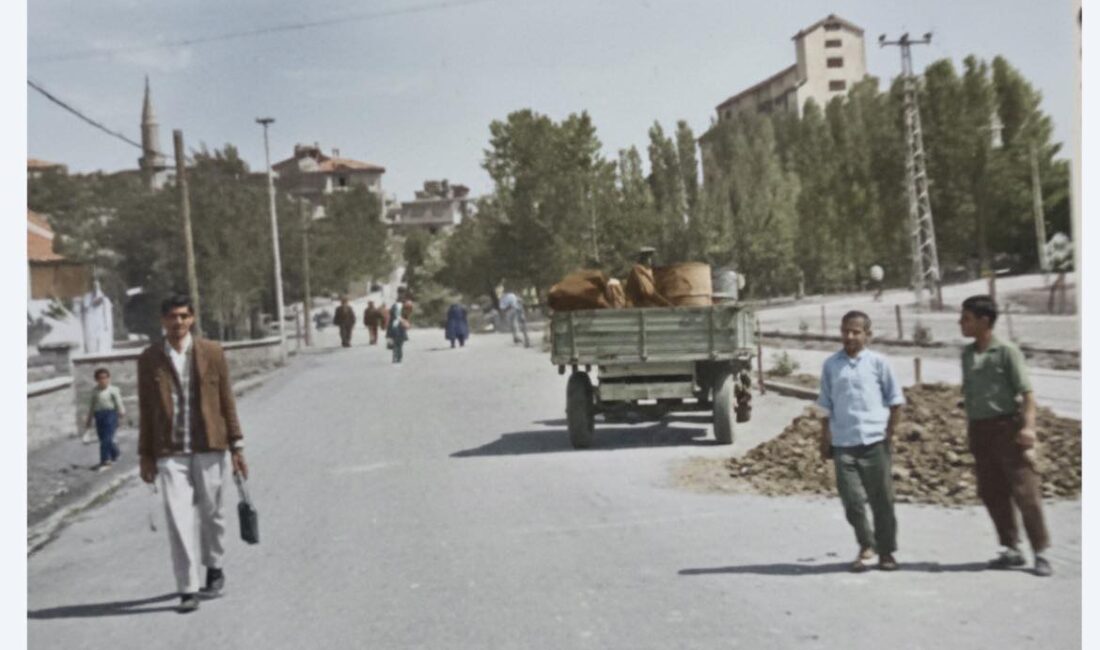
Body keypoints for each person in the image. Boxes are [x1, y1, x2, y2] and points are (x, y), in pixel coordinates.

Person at [138, 295, 249, 613]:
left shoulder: (212, 352)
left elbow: (226, 401)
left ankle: (214, 566)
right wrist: (146, 454)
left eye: (184, 316)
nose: (178, 322)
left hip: (209, 447)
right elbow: (146, 410)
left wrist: (237, 446)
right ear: (163, 320)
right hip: (170, 452)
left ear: (193, 319)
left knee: (212, 515)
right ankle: (187, 588)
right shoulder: (149, 359)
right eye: (172, 317)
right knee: (178, 519)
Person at [958, 295, 1052, 577]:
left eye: (966, 319)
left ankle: (1041, 552)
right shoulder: (967, 354)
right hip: (980, 430)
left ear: (984, 321)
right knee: (991, 491)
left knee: (1025, 491)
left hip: (1007, 429)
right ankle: (1011, 548)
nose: (961, 323)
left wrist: (1028, 428)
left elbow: (1027, 395)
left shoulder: (1007, 352)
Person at [817, 310, 905, 572]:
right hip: (843, 444)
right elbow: (825, 405)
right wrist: (825, 438)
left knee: (882, 501)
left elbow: (896, 401)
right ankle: (867, 544)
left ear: (868, 335)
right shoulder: (831, 365)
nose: (849, 336)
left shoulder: (879, 363)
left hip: (874, 441)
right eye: (845, 331)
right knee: (852, 501)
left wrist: (889, 434)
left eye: (856, 332)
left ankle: (886, 552)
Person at [84, 367, 125, 471]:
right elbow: (92, 406)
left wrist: (121, 411)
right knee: (103, 438)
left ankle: (105, 460)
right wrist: (89, 419)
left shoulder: (113, 389)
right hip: (99, 415)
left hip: (110, 414)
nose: (103, 380)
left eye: (105, 378)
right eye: (101, 378)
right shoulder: (95, 391)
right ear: (96, 380)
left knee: (107, 438)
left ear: (108, 378)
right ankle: (115, 453)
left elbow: (118, 401)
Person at [385, 298, 412, 363]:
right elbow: (397, 316)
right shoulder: (398, 306)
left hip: (397, 327)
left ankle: (397, 357)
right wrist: (405, 322)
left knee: (398, 343)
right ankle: (397, 357)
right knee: (397, 343)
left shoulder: (403, 308)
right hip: (396, 327)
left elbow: (405, 317)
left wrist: (406, 323)